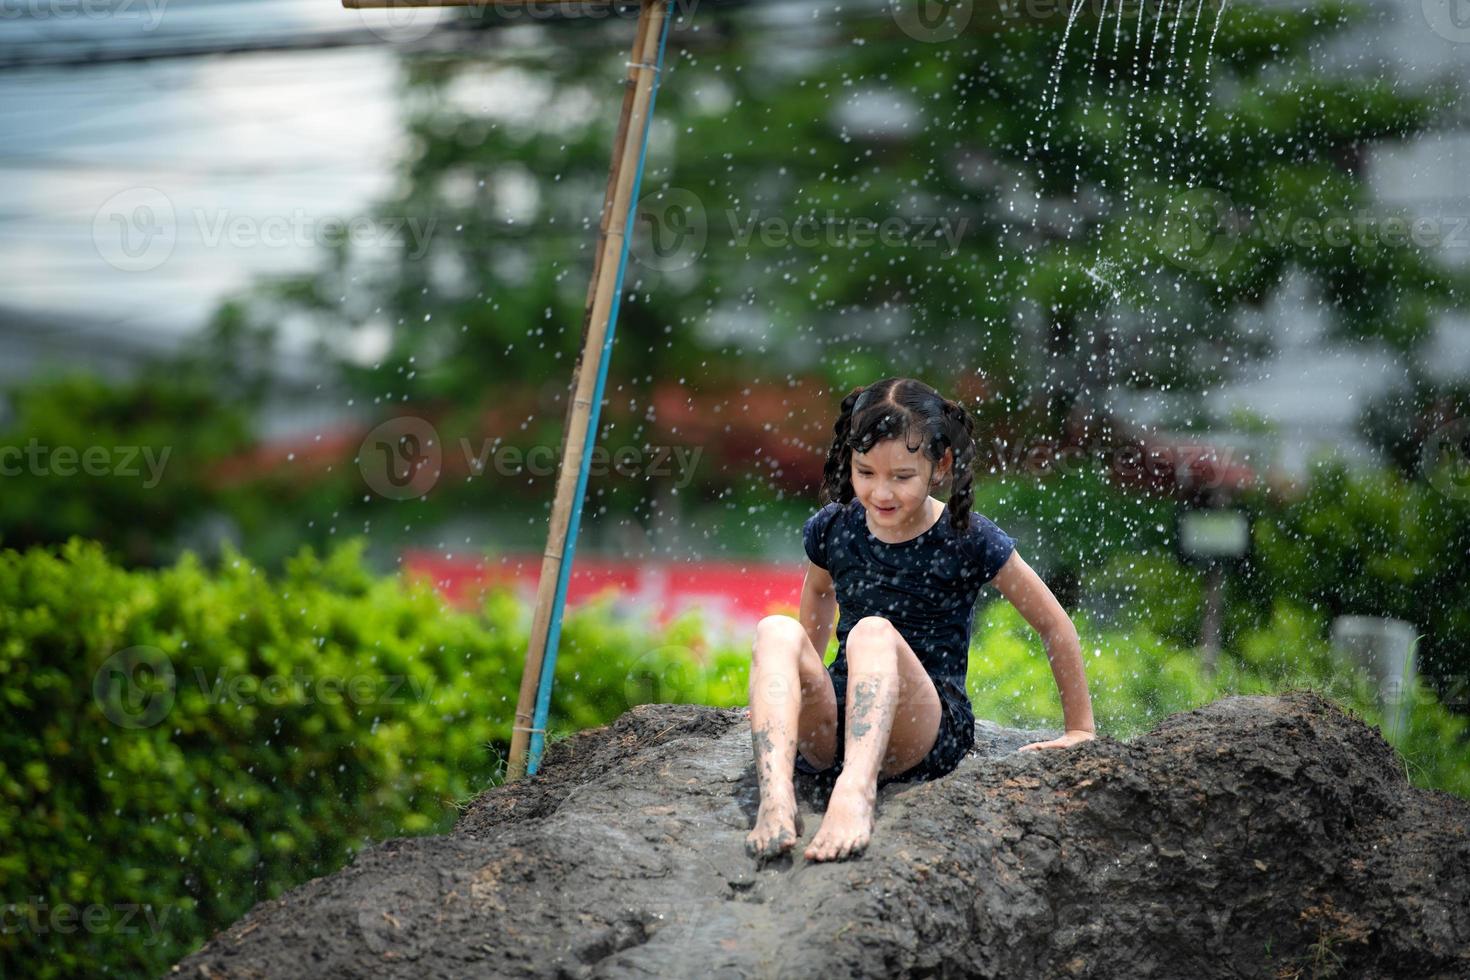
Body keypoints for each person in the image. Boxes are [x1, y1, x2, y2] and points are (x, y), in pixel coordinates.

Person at [744, 377, 1096, 863]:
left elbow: (1054, 623)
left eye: (901, 477)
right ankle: (777, 797)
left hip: (923, 726)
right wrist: (792, 694)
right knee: (773, 630)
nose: (880, 492)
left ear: (940, 466)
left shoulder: (967, 536)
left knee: (873, 631)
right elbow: (820, 594)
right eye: (865, 472)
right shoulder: (835, 526)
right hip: (843, 718)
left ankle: (856, 793)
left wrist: (1079, 729)